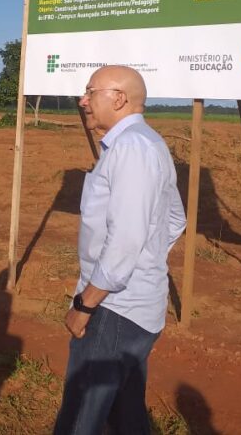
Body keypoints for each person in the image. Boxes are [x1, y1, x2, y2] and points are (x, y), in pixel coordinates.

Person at [54, 65, 187, 435]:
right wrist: (148, 260)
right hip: (132, 307)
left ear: (119, 98)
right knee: (124, 414)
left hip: (115, 309)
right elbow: (175, 219)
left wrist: (85, 304)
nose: (83, 100)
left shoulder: (132, 148)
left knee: (81, 417)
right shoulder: (146, 144)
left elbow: (126, 238)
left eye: (90, 91)